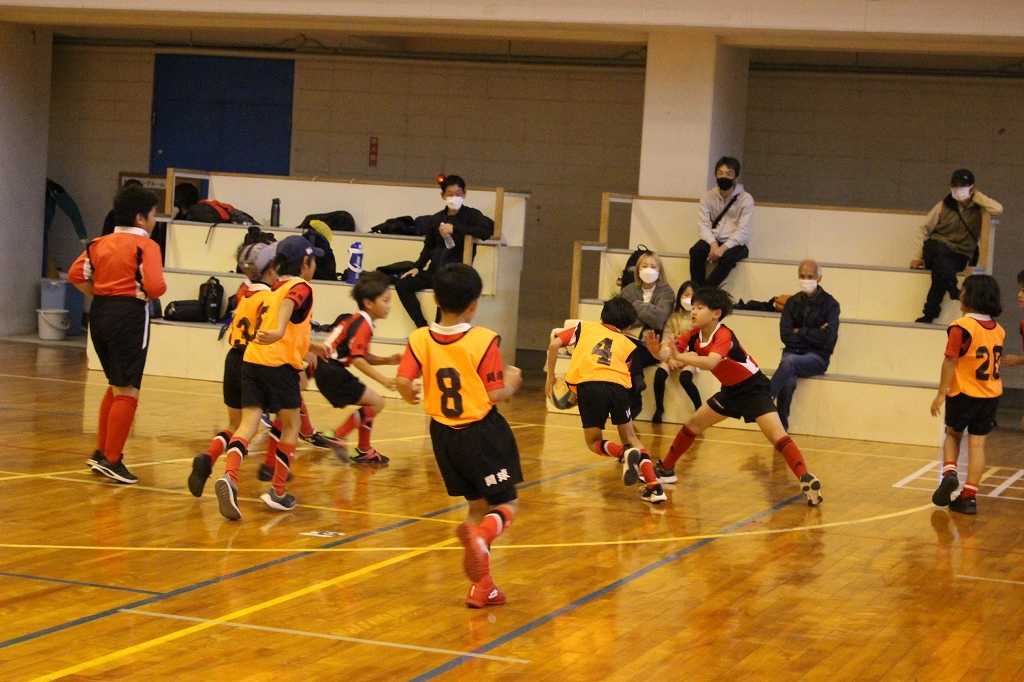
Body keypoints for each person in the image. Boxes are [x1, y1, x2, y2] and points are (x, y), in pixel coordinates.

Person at [395, 263, 523, 608]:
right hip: (481, 433)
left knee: (476, 506)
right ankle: (482, 537)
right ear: (474, 304)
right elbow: (495, 393)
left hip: (443, 436)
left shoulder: (419, 339)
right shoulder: (483, 340)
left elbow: (403, 381)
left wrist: (409, 393)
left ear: (435, 299)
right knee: (506, 503)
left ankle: (483, 587)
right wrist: (513, 382)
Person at [648, 287, 823, 506]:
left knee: (778, 436)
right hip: (730, 392)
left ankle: (805, 478)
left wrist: (680, 357)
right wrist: (657, 352)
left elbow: (711, 362)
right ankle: (666, 469)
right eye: (693, 307)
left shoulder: (724, 335)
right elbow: (669, 352)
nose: (693, 311)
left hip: (754, 389)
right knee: (692, 425)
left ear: (716, 313)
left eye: (700, 307)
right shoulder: (693, 334)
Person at [214, 236, 328, 520]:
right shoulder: (300, 287)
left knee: (248, 423)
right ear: (305, 263)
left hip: (252, 360)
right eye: (314, 260)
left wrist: (313, 347)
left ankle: (229, 476)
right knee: (292, 425)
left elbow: (292, 329)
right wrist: (278, 331)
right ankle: (277, 491)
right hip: (278, 366)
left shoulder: (273, 288)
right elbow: (291, 306)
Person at [69, 185, 166, 484]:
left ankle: (102, 453)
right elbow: (155, 287)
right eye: (153, 214)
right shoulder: (147, 246)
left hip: (99, 314)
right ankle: (112, 459)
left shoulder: (98, 243)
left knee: (115, 385)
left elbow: (75, 274)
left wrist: (100, 292)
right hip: (130, 316)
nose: (155, 220)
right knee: (128, 389)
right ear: (140, 217)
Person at [546, 297, 668, 504]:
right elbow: (660, 356)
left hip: (589, 386)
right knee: (631, 437)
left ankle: (623, 453)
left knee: (594, 442)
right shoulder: (629, 342)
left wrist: (551, 377)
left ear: (602, 315)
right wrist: (657, 353)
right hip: (618, 389)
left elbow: (554, 343)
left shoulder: (584, 328)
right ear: (628, 325)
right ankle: (655, 487)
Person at [188, 242, 277, 497]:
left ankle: (209, 456)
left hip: (233, 359)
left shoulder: (243, 293)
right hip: (253, 361)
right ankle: (231, 476)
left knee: (234, 424)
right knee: (251, 425)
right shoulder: (270, 299)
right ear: (271, 269)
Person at [930, 275, 1017, 515]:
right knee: (978, 444)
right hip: (991, 395)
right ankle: (969, 498)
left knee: (953, 434)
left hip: (964, 392)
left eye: (963, 289)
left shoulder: (962, 326)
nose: (960, 293)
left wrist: (941, 393)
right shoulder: (999, 330)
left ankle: (949, 473)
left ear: (971, 296)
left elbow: (950, 360)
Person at [314, 271, 402, 464]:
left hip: (326, 369)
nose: (389, 305)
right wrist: (384, 380)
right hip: (332, 371)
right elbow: (358, 360)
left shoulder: (358, 320)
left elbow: (362, 356)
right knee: (377, 403)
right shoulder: (363, 324)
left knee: (371, 403)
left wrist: (387, 360)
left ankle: (364, 450)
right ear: (369, 303)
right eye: (385, 300)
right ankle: (337, 435)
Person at [397, 175, 495, 328]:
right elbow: (429, 246)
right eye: (450, 194)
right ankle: (422, 326)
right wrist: (417, 266)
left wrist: (456, 229)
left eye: (458, 194)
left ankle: (439, 330)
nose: (454, 197)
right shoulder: (436, 219)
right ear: (443, 195)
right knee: (403, 284)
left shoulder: (472, 215)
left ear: (464, 194)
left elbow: (486, 232)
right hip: (434, 271)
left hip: (455, 275)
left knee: (445, 294)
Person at [911, 169, 1003, 324]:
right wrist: (917, 257)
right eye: (955, 186)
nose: (958, 189)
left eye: (962, 186)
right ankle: (953, 290)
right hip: (936, 248)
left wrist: (977, 196)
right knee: (938, 250)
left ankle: (930, 313)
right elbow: (924, 229)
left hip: (959, 253)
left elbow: (998, 209)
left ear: (971, 188)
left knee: (940, 270)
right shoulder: (944, 205)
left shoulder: (979, 207)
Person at [769, 260, 840, 430]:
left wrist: (800, 331)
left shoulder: (830, 304)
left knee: (789, 362)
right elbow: (785, 335)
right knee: (788, 381)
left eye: (810, 276)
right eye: (802, 276)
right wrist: (814, 332)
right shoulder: (792, 302)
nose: (806, 280)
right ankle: (781, 427)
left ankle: (765, 398)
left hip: (817, 357)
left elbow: (828, 340)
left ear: (819, 278)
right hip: (792, 351)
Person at [619, 251, 674, 415]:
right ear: (637, 270)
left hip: (653, 345)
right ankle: (636, 390)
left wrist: (636, 305)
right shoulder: (628, 290)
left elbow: (659, 319)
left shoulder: (666, 292)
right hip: (629, 341)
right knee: (629, 354)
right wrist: (650, 313)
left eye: (653, 266)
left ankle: (634, 402)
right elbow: (623, 318)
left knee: (631, 357)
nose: (648, 270)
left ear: (659, 270)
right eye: (644, 266)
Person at [689, 157, 754, 288]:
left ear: (735, 177)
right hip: (713, 239)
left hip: (736, 243)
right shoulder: (707, 197)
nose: (724, 176)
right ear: (715, 175)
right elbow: (703, 225)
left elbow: (743, 231)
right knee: (696, 251)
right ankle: (696, 289)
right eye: (720, 173)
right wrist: (713, 245)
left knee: (728, 258)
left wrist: (723, 249)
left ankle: (707, 291)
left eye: (729, 173)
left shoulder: (746, 199)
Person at [651, 281, 702, 423]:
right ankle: (659, 408)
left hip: (692, 357)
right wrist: (670, 358)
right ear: (679, 296)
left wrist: (683, 359)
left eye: (692, 296)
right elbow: (666, 339)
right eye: (685, 295)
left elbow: (698, 345)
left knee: (685, 378)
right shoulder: (673, 317)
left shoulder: (700, 319)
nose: (688, 299)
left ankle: (699, 409)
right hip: (672, 354)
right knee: (659, 374)